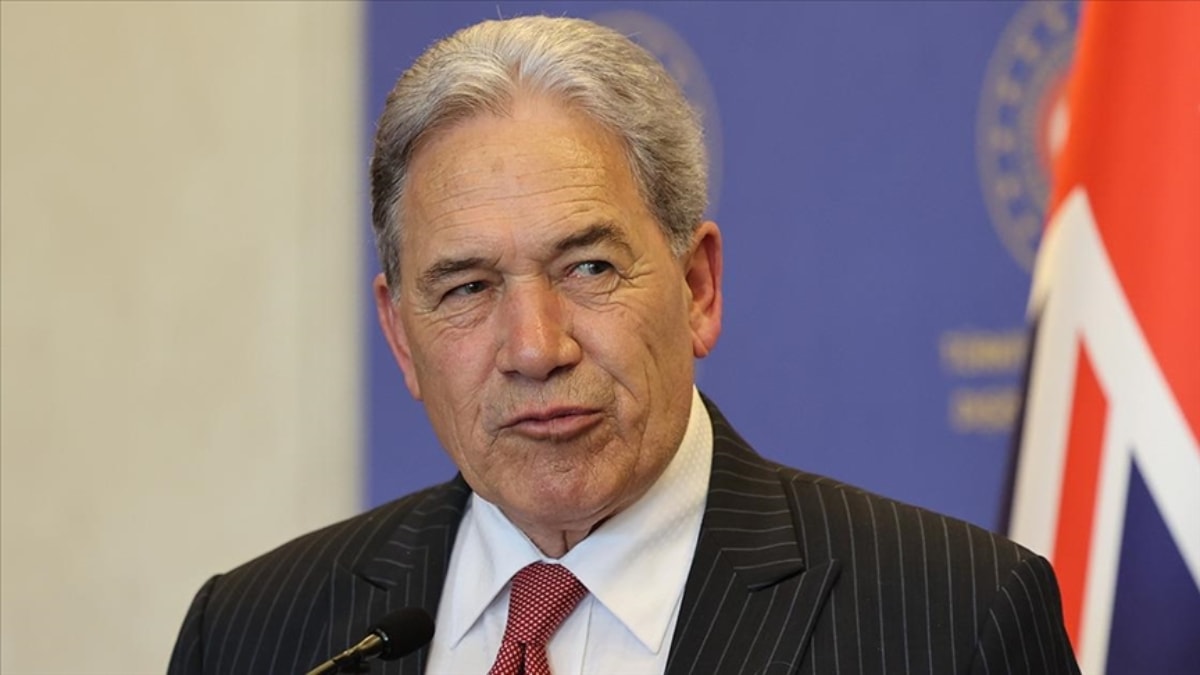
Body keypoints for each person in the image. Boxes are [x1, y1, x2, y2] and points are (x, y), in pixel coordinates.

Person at [168, 15, 1080, 675]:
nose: (535, 348)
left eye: (589, 267)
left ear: (698, 287)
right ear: (402, 337)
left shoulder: (955, 620)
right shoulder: (253, 634)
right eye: (468, 287)